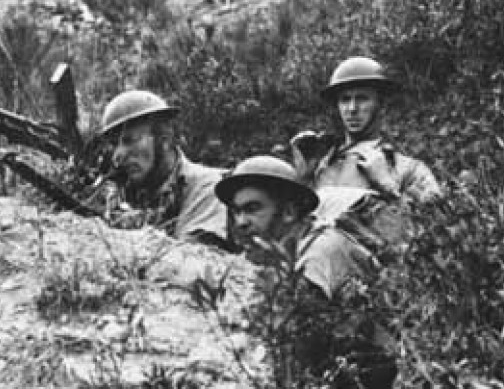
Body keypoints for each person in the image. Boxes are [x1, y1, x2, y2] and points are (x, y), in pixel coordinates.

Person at [215, 155, 398, 388]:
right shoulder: (285, 251)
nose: (241, 222)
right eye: (236, 212)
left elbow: (301, 341)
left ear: (290, 211)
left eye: (253, 209)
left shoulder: (320, 250)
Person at [291, 56, 442, 208]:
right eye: (345, 99)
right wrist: (305, 180)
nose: (352, 109)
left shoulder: (407, 169)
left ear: (381, 104)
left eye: (362, 99)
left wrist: (386, 185)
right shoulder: (320, 168)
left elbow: (436, 223)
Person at [100, 89, 232, 250]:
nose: (117, 156)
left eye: (129, 140)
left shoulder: (205, 186)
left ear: (164, 139)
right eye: (114, 145)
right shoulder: (122, 193)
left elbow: (192, 259)